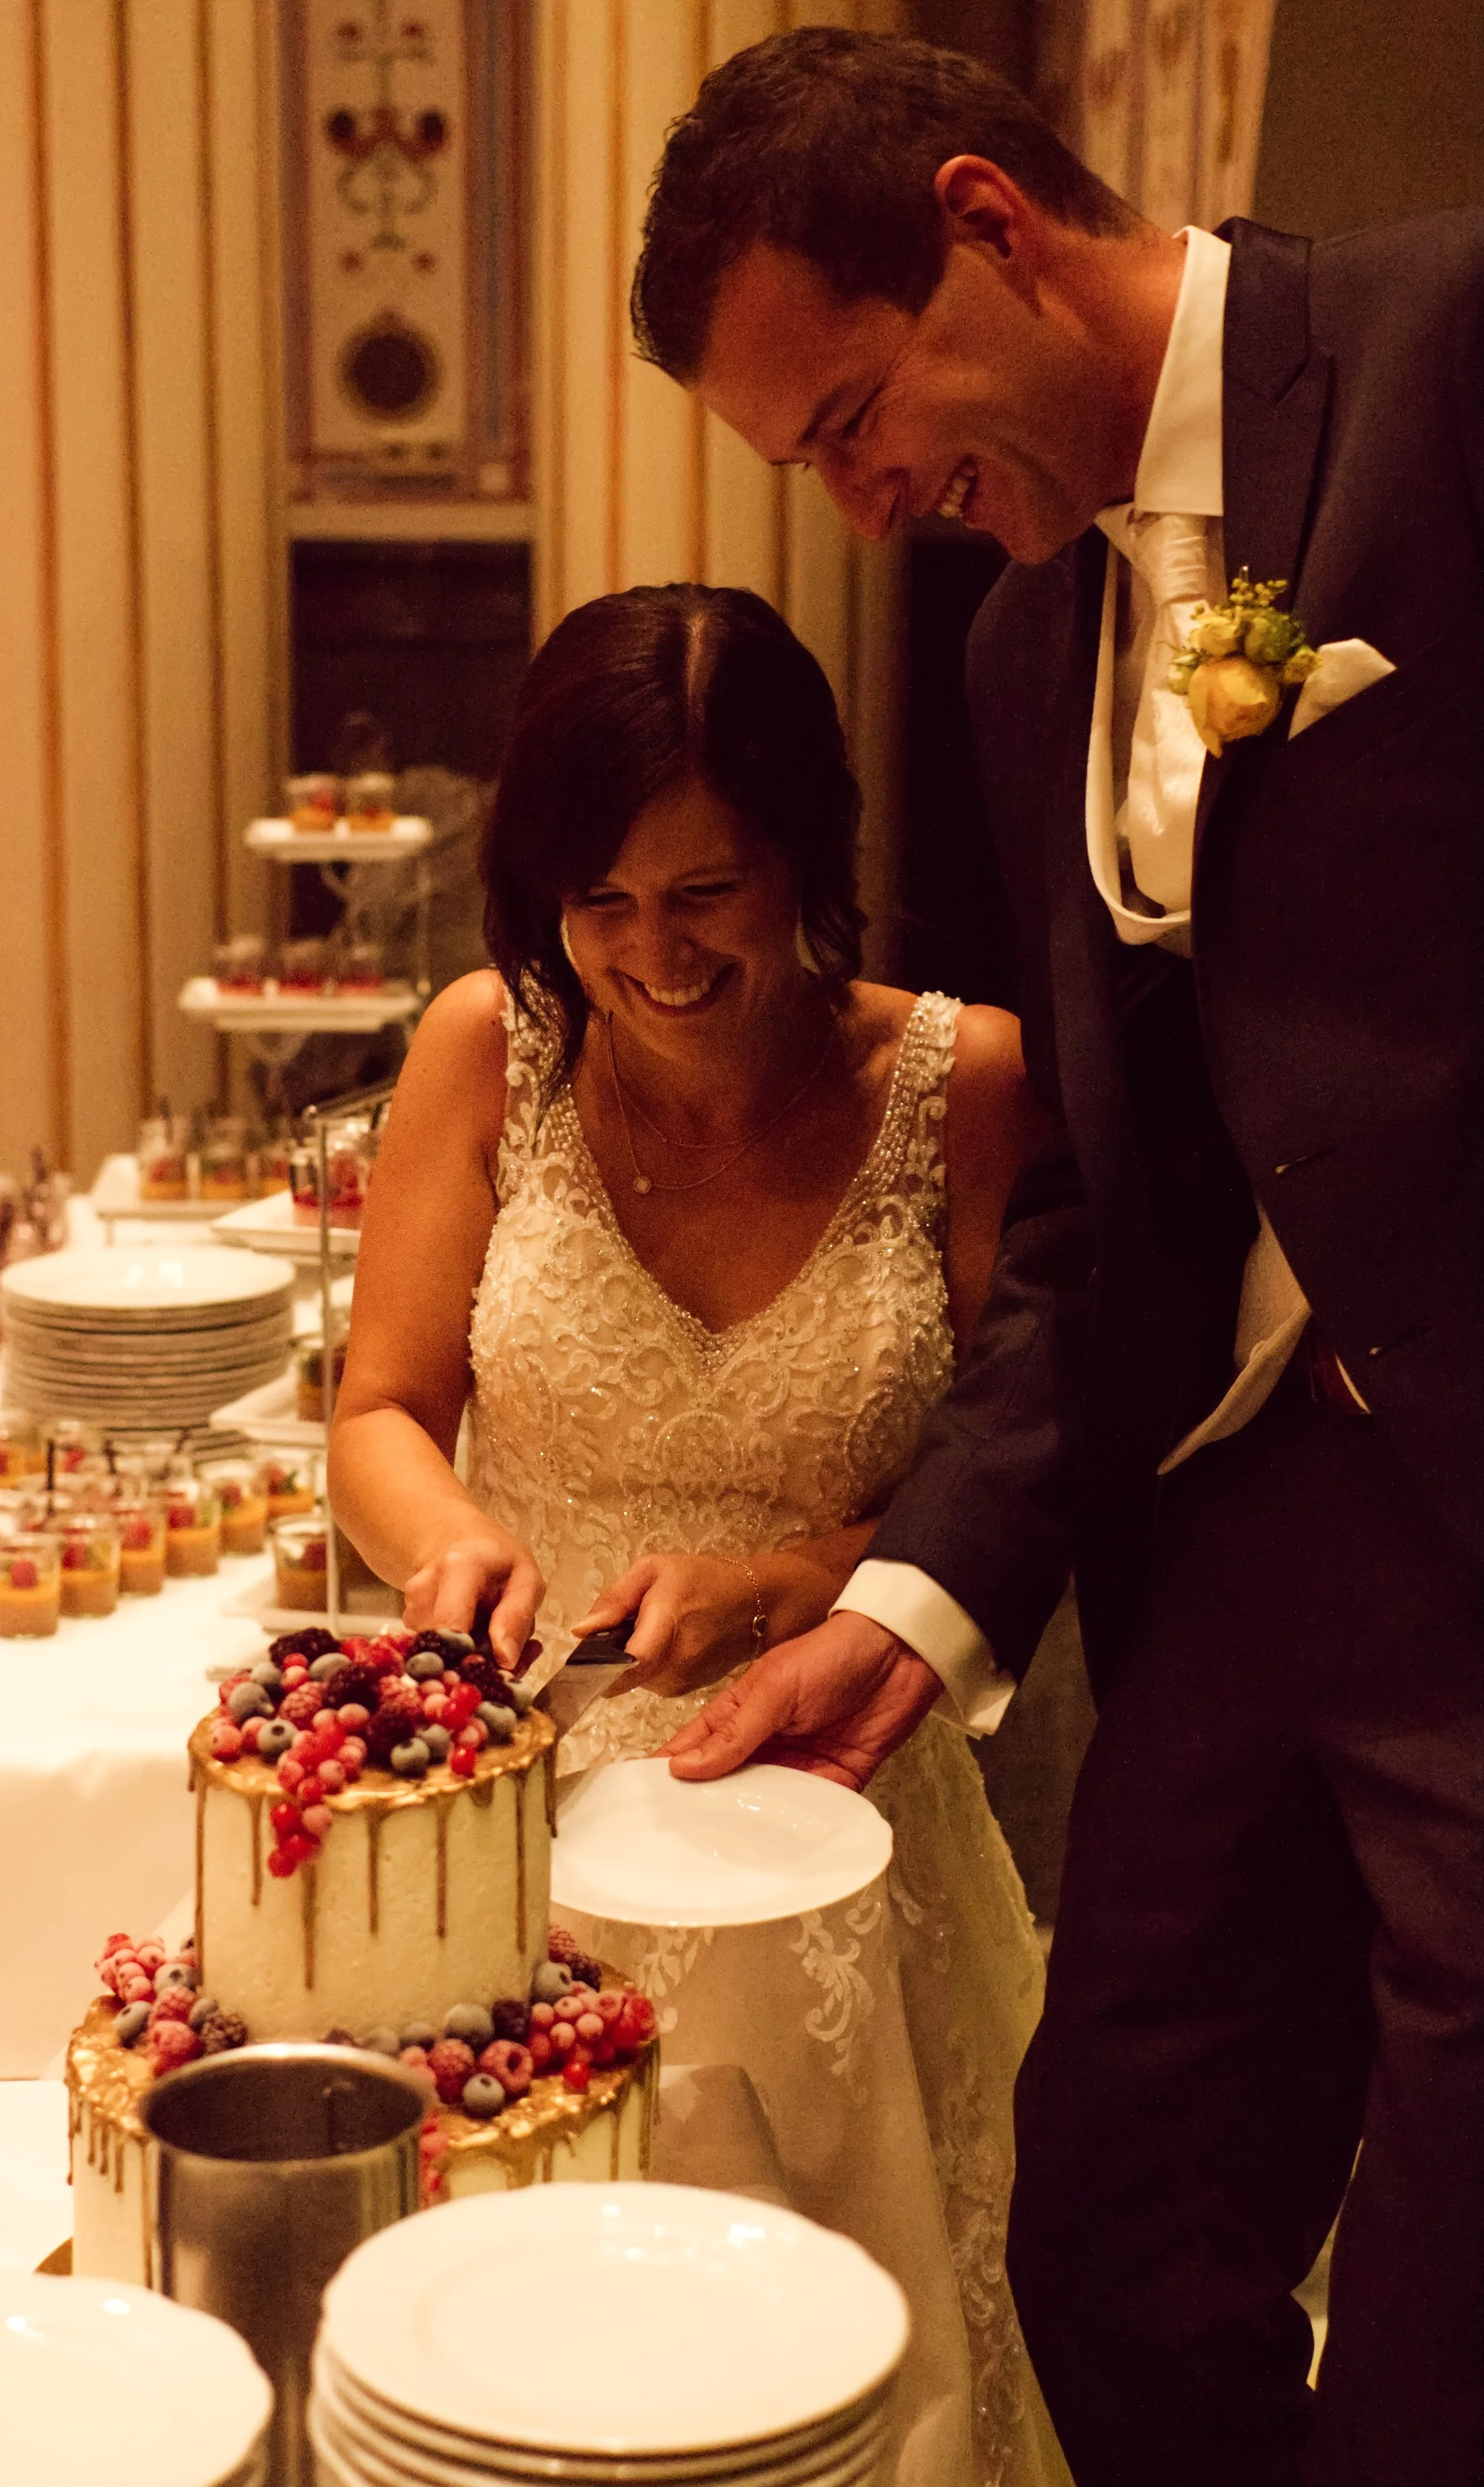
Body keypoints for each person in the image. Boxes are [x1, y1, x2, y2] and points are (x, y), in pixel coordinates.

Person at [629, 30, 1483, 2487]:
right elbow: (1111, 1206)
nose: (864, 498)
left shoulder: (1439, 355)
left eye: (851, 419)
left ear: (985, 225)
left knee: (1439, 2353)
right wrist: (913, 1602)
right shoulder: (1027, 652)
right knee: (1110, 2250)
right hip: (1228, 1553)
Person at [330, 582, 1068, 2487]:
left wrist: (789, 1581)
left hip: (841, 1816)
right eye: (599, 903)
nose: (651, 958)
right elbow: (379, 1413)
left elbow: (1023, 1471)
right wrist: (451, 1544)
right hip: (536, 1835)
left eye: (705, 893)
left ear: (807, 854)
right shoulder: (487, 1051)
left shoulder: (968, 1087)